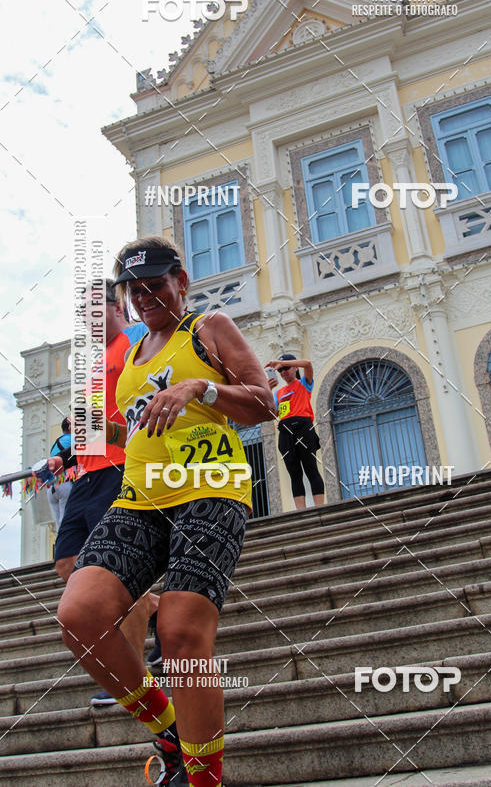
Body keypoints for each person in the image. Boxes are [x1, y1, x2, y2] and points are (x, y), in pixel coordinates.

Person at [57, 236, 275, 787]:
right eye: (134, 288)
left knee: (179, 633)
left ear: (181, 280)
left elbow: (263, 402)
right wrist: (91, 431)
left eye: (156, 283)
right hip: (141, 497)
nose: (145, 295)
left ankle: (203, 781)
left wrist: (200, 387)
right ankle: (168, 729)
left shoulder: (209, 328)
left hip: (210, 489)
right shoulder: (131, 355)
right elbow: (137, 426)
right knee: (80, 614)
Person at [48, 279, 153, 706]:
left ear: (116, 307)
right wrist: (68, 454)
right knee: (66, 562)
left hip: (120, 467)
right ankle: (152, 604)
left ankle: (131, 676)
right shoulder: (94, 361)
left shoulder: (136, 338)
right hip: (86, 475)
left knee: (114, 572)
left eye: (94, 311)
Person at [266, 353, 325, 510]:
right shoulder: (279, 393)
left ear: (295, 368)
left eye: (286, 368)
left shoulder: (304, 383)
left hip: (303, 428)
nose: (283, 372)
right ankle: (301, 511)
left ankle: (320, 508)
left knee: (310, 468)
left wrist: (278, 362)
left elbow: (308, 362)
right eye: (280, 370)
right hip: (285, 431)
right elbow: (273, 413)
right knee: (294, 473)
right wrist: (268, 389)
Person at [46, 417, 76, 529]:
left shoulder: (56, 443)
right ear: (69, 426)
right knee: (67, 523)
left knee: (59, 528)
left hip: (52, 489)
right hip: (65, 485)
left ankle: (60, 546)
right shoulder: (73, 439)